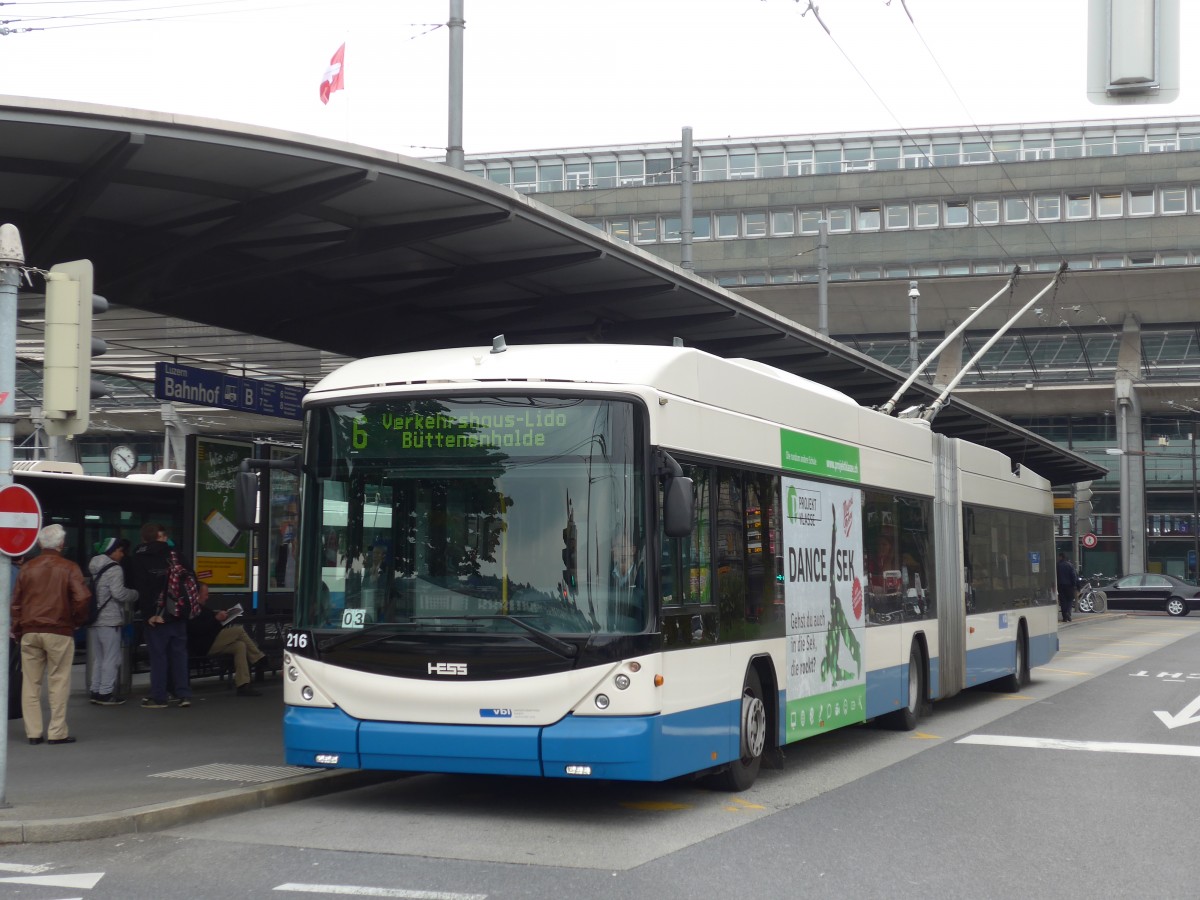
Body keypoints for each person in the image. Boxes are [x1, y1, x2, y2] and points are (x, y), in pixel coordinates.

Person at [10, 524, 90, 744]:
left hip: (30, 632)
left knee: (31, 683)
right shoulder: (69, 567)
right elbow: (82, 598)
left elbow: (16, 603)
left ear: (39, 543)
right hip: (59, 631)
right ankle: (57, 732)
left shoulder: (27, 568)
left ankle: (33, 733)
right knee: (58, 681)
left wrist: (18, 629)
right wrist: (76, 620)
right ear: (62, 544)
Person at [128, 522, 195, 709]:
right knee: (179, 655)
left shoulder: (139, 557)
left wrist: (149, 613)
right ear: (162, 536)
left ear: (144, 538)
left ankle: (159, 697)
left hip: (155, 616)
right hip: (177, 613)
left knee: (158, 657)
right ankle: (183, 694)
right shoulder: (176, 555)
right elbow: (191, 579)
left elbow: (142, 587)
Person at [87, 537, 138, 706]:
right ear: (112, 551)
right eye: (120, 550)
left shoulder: (94, 566)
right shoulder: (115, 568)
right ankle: (106, 693)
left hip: (94, 618)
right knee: (112, 658)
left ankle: (95, 691)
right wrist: (134, 594)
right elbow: (118, 594)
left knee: (100, 658)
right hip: (110, 619)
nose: (122, 554)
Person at [187, 589, 267, 697]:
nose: (207, 597)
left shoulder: (205, 610)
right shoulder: (193, 611)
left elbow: (213, 627)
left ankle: (243, 684)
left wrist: (224, 619)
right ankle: (259, 658)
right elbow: (199, 630)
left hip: (210, 642)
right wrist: (216, 619)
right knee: (238, 630)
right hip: (203, 645)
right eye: (206, 594)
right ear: (198, 594)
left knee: (240, 646)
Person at [1057, 552, 1078, 623]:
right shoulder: (1070, 565)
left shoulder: (1058, 565)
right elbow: (1073, 576)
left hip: (1060, 585)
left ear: (1061, 557)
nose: (1058, 558)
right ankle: (1068, 613)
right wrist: (1074, 585)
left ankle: (1064, 617)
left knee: (1063, 601)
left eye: (1059, 556)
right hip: (1069, 586)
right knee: (1069, 600)